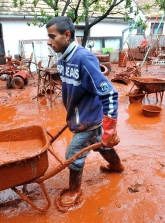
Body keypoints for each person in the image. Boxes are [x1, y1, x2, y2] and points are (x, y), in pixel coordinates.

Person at [45, 16, 124, 212]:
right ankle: (117, 166)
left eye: (52, 36)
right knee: (101, 147)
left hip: (88, 120)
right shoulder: (63, 58)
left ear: (67, 35)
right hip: (79, 116)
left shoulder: (84, 59)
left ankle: (74, 191)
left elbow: (110, 93)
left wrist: (110, 129)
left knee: (73, 154)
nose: (49, 41)